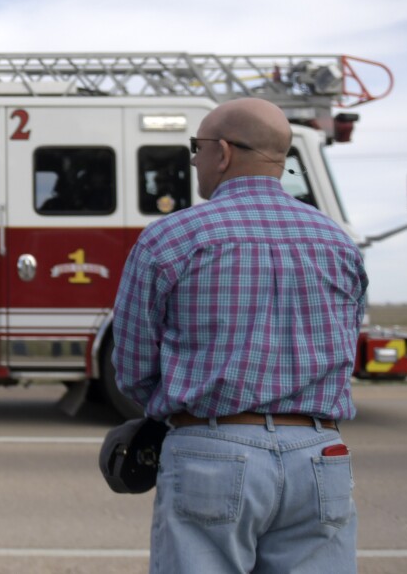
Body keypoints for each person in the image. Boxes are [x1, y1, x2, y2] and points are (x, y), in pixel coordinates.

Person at [112, 98, 364, 573]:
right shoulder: (338, 242)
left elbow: (132, 366)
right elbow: (345, 346)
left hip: (211, 451)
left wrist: (178, 406)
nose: (194, 160)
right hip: (320, 454)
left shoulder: (171, 238)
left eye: (197, 148)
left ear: (223, 153)